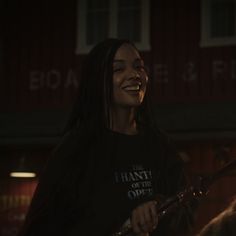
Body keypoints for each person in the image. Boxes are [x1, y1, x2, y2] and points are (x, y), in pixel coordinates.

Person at [18, 38, 196, 236]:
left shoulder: (160, 147)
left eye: (139, 67)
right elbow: (41, 226)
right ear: (97, 80)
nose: (134, 75)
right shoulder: (75, 150)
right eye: (118, 69)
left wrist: (158, 205)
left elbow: (186, 212)